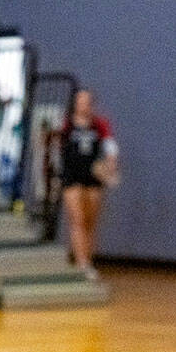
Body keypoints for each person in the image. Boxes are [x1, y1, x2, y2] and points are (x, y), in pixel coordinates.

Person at [59, 89, 118, 279]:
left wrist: (110, 165)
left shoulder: (99, 125)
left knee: (89, 222)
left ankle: (88, 261)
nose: (82, 105)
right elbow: (55, 144)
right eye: (79, 101)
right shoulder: (66, 124)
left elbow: (110, 146)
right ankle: (81, 263)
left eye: (86, 102)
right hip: (72, 176)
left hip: (93, 177)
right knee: (77, 219)